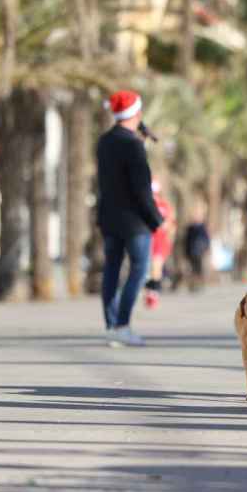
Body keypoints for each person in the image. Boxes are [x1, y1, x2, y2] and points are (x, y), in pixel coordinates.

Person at [97, 90, 164, 347]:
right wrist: (156, 219)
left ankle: (112, 325)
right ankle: (123, 325)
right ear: (136, 113)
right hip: (134, 221)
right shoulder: (133, 145)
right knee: (138, 270)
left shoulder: (105, 141)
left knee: (112, 270)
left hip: (109, 217)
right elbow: (141, 188)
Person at [144, 181, 175, 309]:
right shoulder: (145, 205)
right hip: (147, 239)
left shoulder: (164, 206)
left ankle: (153, 293)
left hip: (160, 241)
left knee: (156, 267)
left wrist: (169, 236)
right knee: (148, 269)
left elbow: (170, 223)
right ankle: (149, 292)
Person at [183, 208, 211, 292]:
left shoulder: (202, 227)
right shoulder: (190, 228)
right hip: (190, 252)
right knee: (191, 269)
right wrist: (185, 251)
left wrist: (206, 248)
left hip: (199, 251)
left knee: (199, 269)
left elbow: (206, 239)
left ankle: (199, 283)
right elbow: (186, 241)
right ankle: (192, 284)